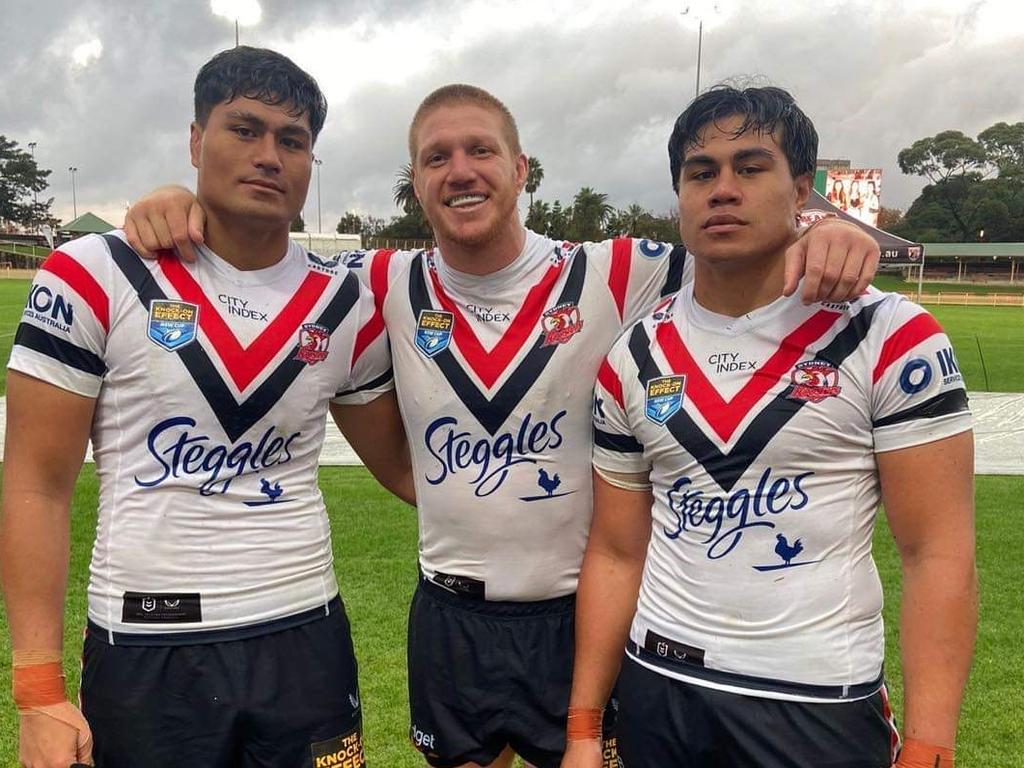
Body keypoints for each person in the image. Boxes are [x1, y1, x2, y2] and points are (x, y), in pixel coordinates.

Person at [123, 83, 882, 768]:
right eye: (436, 158)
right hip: (452, 618)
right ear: (415, 184)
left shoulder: (620, 270)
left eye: (481, 150)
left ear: (523, 171)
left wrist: (821, 233)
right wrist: (174, 198)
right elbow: (253, 256)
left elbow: (742, 251)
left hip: (580, 618)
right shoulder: (378, 283)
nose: (460, 170)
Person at [2, 46, 412, 768]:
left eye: (292, 141)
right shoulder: (94, 273)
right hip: (147, 648)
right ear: (195, 141)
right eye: (243, 130)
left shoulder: (347, 303)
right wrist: (37, 690)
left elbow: (406, 469)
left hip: (304, 634)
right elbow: (36, 484)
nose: (268, 156)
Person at [562, 85, 976, 768]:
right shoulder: (633, 358)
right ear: (679, 195)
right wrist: (583, 726)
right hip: (660, 689)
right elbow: (615, 553)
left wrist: (931, 744)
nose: (723, 189)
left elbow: (937, 554)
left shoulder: (889, 335)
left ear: (801, 190)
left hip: (816, 701)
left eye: (750, 167)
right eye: (702, 172)